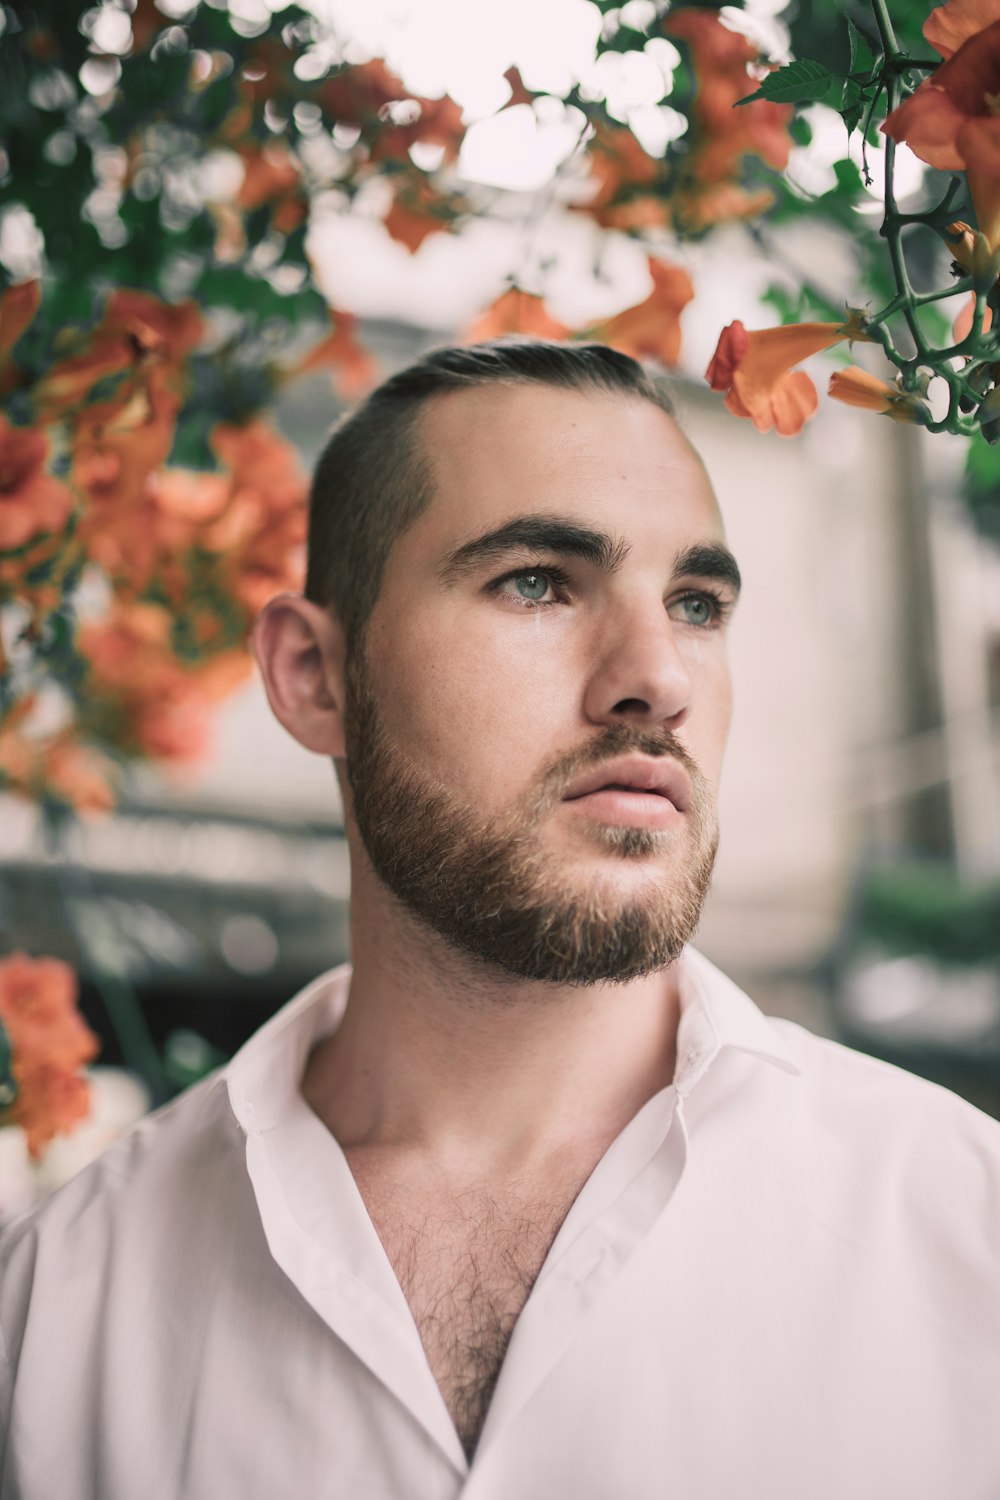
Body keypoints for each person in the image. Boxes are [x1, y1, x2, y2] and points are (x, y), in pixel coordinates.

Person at [1, 339, 999, 1500]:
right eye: (535, 580)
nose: (656, 676)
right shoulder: (56, 1310)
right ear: (316, 677)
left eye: (695, 603)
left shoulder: (960, 1227)